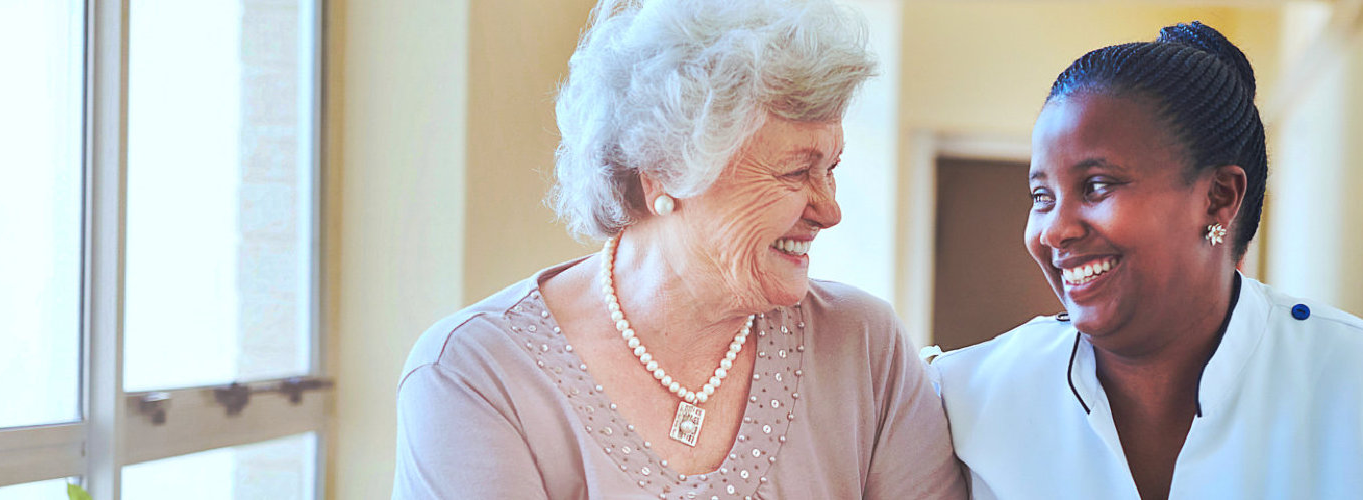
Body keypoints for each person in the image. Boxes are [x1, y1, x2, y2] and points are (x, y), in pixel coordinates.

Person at [392, 1, 969, 498]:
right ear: (662, 174)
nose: (829, 209)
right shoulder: (475, 375)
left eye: (831, 168)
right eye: (795, 172)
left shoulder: (864, 348)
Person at [933, 21, 1363, 499]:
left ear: (1220, 196)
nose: (1053, 229)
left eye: (1097, 185)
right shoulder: (961, 400)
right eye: (1041, 197)